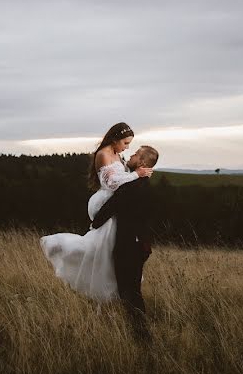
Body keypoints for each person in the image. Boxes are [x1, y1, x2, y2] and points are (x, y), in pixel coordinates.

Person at [39, 123, 152, 302]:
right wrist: (136, 175)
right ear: (115, 139)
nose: (127, 147)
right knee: (99, 244)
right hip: (104, 200)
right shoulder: (103, 154)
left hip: (113, 201)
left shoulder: (117, 154)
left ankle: (114, 285)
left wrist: (139, 174)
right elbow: (112, 183)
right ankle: (60, 247)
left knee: (107, 245)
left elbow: (124, 179)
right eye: (125, 143)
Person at [91, 145, 159, 343]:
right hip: (140, 245)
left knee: (129, 292)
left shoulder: (133, 185)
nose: (131, 155)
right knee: (130, 291)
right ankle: (139, 334)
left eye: (136, 154)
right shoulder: (142, 183)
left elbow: (112, 206)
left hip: (129, 246)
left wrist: (94, 224)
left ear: (143, 163)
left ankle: (142, 337)